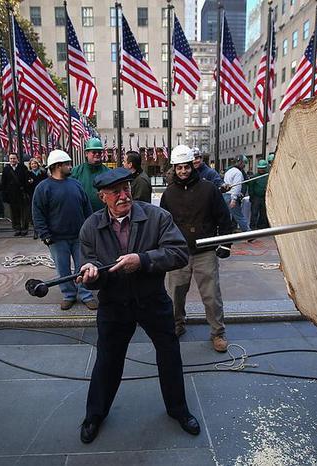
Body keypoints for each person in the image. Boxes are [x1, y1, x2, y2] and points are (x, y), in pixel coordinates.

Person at [75, 167, 200, 444]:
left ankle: (178, 410)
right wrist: (91, 275)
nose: (123, 195)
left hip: (152, 300)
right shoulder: (90, 227)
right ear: (102, 196)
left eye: (126, 188)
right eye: (115, 192)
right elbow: (88, 267)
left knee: (169, 355)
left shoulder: (156, 217)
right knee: (107, 360)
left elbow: (179, 253)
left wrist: (142, 260)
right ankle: (94, 415)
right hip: (114, 304)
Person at [160, 145, 233, 352]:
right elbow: (164, 224)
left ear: (193, 166)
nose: (183, 171)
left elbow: (224, 218)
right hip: (179, 253)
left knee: (211, 296)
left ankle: (217, 332)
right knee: (175, 294)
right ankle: (177, 324)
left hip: (205, 252)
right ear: (174, 168)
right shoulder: (169, 194)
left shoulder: (208, 189)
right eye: (179, 168)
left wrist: (225, 244)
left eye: (186, 167)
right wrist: (164, 249)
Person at [33, 150, 97, 311]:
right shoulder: (43, 188)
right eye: (67, 164)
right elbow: (37, 213)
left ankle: (85, 295)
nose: (71, 166)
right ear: (57, 166)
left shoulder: (75, 184)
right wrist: (45, 235)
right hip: (56, 238)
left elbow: (86, 207)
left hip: (79, 236)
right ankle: (69, 295)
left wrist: (90, 229)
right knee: (63, 269)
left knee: (83, 267)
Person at [71, 137, 109, 212]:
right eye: (94, 152)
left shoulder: (109, 172)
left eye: (100, 152)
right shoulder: (76, 172)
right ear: (86, 153)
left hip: (104, 216)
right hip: (82, 215)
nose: (97, 154)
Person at [1, 153, 30, 236]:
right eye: (11, 158)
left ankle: (24, 228)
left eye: (14, 158)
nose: (12, 160)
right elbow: (3, 183)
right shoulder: (6, 169)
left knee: (24, 212)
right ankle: (17, 228)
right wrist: (5, 195)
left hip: (21, 193)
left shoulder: (23, 168)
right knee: (14, 213)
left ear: (17, 159)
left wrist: (26, 192)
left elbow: (26, 180)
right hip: (11, 195)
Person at [222, 155, 250, 232]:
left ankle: (226, 232)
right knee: (239, 216)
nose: (244, 165)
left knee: (227, 216)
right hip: (231, 197)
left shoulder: (229, 171)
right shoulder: (238, 173)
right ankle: (248, 233)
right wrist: (234, 199)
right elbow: (237, 186)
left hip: (225, 196)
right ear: (240, 162)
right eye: (244, 163)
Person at [26, 157, 48, 239]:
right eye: (32, 164)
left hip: (42, 194)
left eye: (35, 163)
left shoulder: (42, 173)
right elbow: (26, 186)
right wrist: (29, 183)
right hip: (32, 195)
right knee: (35, 213)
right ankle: (36, 231)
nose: (34, 165)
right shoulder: (28, 174)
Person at [248, 159, 270, 230]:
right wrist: (252, 197)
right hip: (256, 197)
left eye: (262, 168)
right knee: (254, 213)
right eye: (260, 168)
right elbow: (251, 187)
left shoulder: (268, 176)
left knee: (263, 213)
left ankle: (262, 226)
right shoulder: (255, 177)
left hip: (264, 197)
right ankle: (253, 227)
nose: (261, 170)